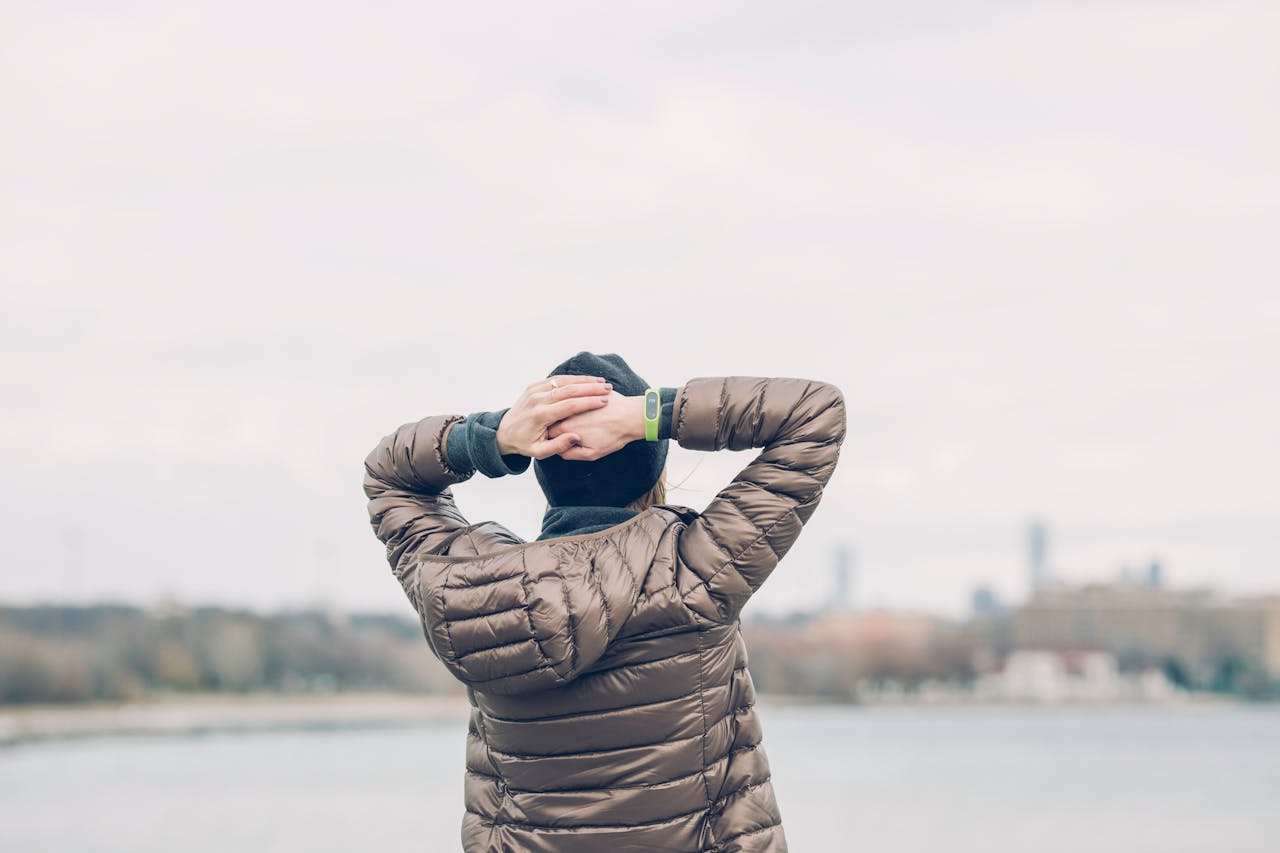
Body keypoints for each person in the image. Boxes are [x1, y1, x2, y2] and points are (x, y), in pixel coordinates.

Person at [362, 351, 846, 853]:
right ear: (649, 465)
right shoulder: (696, 571)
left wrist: (495, 436)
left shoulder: (469, 589)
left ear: (544, 470)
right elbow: (814, 413)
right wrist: (647, 415)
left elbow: (389, 476)